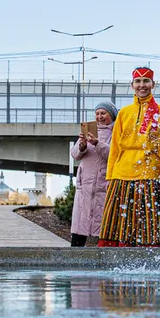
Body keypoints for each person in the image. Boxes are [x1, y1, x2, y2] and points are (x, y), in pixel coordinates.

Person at [99, 67, 160, 247]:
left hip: (149, 175)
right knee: (117, 223)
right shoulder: (124, 113)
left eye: (146, 81)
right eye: (138, 81)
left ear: (153, 84)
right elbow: (114, 148)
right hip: (122, 174)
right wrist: (110, 176)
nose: (142, 85)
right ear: (132, 85)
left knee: (149, 225)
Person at [69, 101, 115, 247]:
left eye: (103, 113)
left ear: (111, 115)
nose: (99, 117)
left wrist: (97, 144)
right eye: (97, 114)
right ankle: (74, 258)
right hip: (85, 185)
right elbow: (75, 155)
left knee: (103, 225)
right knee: (80, 222)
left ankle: (104, 258)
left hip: (103, 184)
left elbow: (114, 155)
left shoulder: (116, 133)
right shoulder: (89, 131)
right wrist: (82, 145)